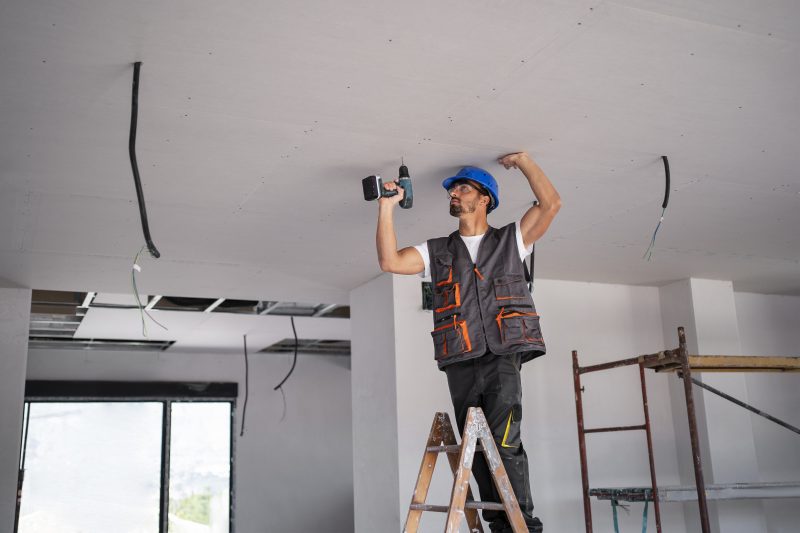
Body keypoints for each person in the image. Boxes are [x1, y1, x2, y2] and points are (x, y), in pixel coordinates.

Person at [375, 151, 561, 533]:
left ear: (485, 198)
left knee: (505, 443)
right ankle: (498, 525)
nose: (453, 194)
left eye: (461, 188)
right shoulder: (438, 250)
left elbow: (551, 203)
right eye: (452, 190)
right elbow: (390, 262)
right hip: (460, 358)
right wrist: (386, 207)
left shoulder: (512, 240)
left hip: (502, 356)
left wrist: (524, 161)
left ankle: (522, 527)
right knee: (475, 450)